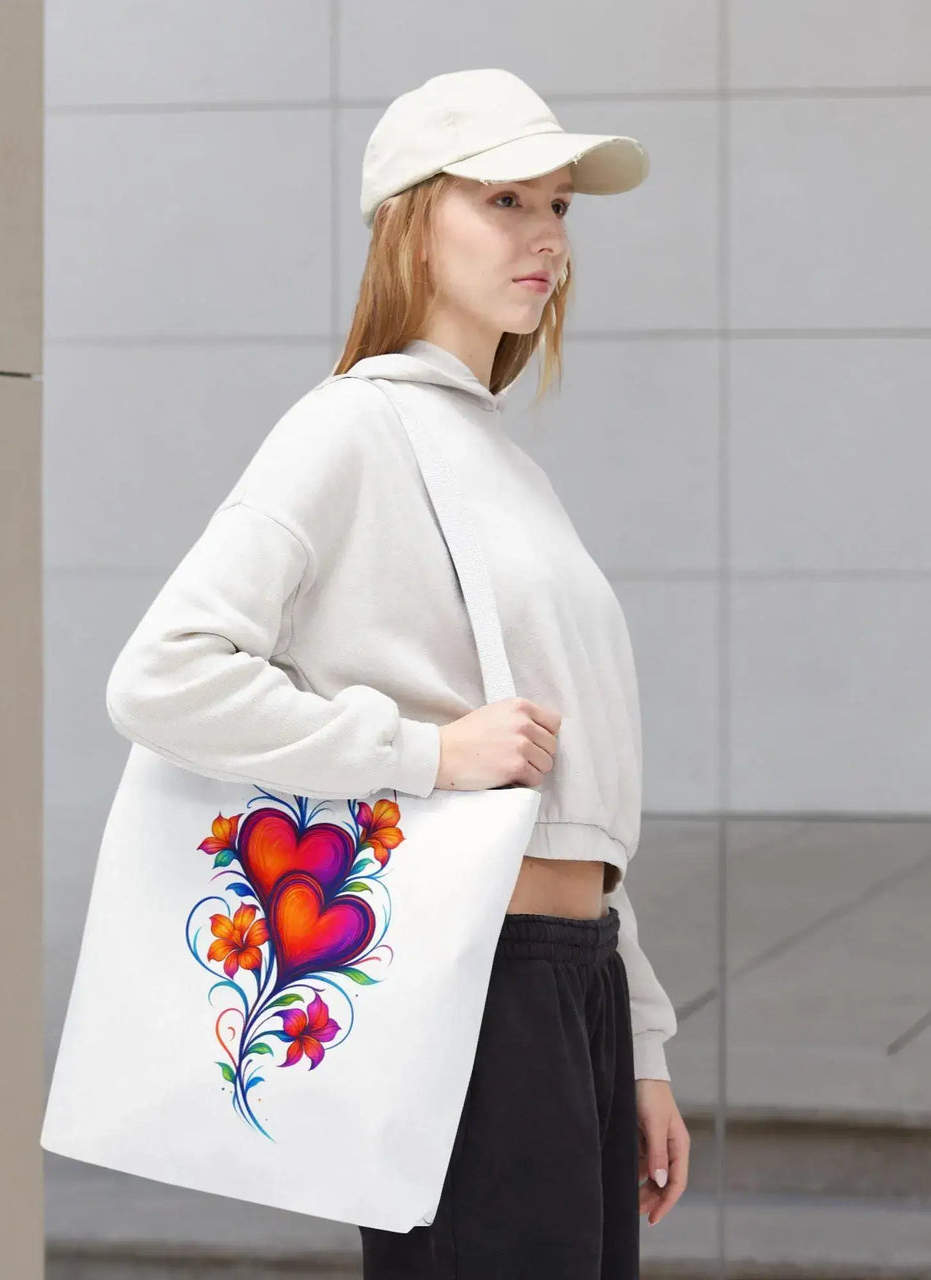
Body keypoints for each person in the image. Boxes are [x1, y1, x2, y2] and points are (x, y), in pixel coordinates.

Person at [104, 67, 688, 1278]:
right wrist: (426, 751)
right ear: (411, 223)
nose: (544, 237)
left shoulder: (502, 461)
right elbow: (162, 674)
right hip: (468, 978)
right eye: (504, 200)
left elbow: (583, 796)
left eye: (560, 207)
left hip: (564, 982)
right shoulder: (349, 428)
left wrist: (637, 1041)